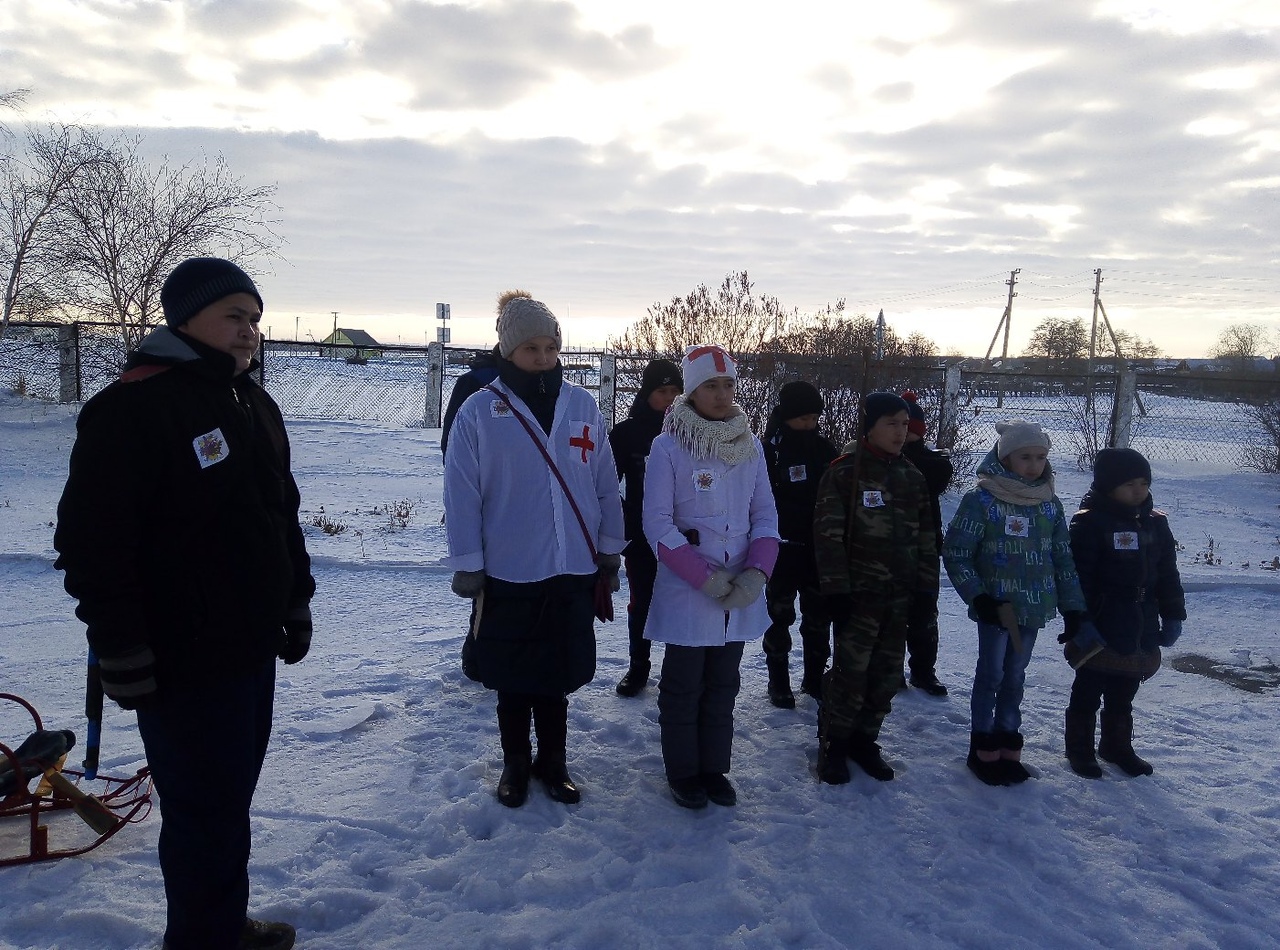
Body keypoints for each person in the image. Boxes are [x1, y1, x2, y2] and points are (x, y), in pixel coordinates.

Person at [54, 257, 315, 950]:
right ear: (186, 318)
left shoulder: (252, 402)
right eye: (234, 315)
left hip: (248, 645)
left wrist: (295, 600)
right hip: (180, 657)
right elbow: (91, 543)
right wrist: (120, 646)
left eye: (254, 318)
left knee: (226, 805)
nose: (249, 330)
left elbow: (280, 514)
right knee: (203, 812)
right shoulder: (135, 407)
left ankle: (218, 926)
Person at [444, 292, 625, 808]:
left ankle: (554, 762)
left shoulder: (582, 405)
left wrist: (610, 549)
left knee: (556, 673)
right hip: (510, 567)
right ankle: (516, 763)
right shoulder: (481, 410)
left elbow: (605, 482)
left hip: (572, 565)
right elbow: (461, 492)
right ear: (508, 350)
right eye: (531, 349)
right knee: (513, 675)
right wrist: (468, 564)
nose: (544, 358)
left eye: (551, 348)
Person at [642, 344, 779, 809]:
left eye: (728, 385)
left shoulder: (750, 446)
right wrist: (703, 577)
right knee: (684, 686)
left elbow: (765, 516)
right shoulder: (668, 447)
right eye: (710, 386)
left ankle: (714, 768)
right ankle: (684, 771)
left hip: (739, 588)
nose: (722, 395)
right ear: (691, 391)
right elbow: (657, 524)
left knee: (723, 684)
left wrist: (756, 573)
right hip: (690, 587)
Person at [942, 419, 1087, 787]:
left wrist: (1073, 607)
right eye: (1025, 457)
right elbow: (957, 552)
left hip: (1031, 608)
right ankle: (982, 745)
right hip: (997, 609)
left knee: (1015, 675)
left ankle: (1008, 741)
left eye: (1040, 457)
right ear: (1005, 458)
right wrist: (978, 596)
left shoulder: (1048, 504)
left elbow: (1063, 559)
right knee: (991, 673)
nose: (1034, 465)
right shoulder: (982, 500)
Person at [813, 392, 937, 784]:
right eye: (891, 423)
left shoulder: (912, 477)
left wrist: (925, 593)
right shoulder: (845, 474)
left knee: (886, 674)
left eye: (904, 424)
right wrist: (836, 590)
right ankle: (834, 743)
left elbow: (927, 539)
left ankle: (865, 739)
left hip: (899, 597)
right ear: (869, 427)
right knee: (851, 674)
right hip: (858, 597)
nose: (900, 432)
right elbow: (827, 537)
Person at [1064, 448, 1186, 778]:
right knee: (1089, 687)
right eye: (1129, 484)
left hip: (1140, 620)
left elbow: (1168, 574)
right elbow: (1078, 577)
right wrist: (1079, 619)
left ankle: (1116, 745)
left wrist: (1173, 614)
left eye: (1144, 483)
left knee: (1125, 688)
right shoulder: (1089, 522)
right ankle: (1079, 749)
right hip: (1102, 618)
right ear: (1108, 486)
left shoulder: (1156, 523)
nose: (1138, 491)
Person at [760, 381, 839, 707]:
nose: (810, 424)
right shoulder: (771, 451)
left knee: (818, 618)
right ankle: (778, 680)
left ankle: (815, 677)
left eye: (814, 418)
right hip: (782, 549)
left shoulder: (825, 449)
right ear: (788, 415)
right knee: (778, 617)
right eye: (803, 418)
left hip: (818, 549)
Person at [609, 358, 684, 696]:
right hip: (641, 538)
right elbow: (606, 484)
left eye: (675, 392)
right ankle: (638, 666)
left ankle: (677, 669)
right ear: (647, 393)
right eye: (661, 391)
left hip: (684, 536)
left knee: (680, 603)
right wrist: (623, 520)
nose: (668, 399)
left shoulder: (692, 432)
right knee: (642, 602)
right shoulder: (627, 433)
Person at [899, 390, 954, 696]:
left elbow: (937, 475)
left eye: (908, 427)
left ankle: (923, 670)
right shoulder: (877, 460)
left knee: (924, 613)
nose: (902, 432)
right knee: (892, 613)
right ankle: (891, 669)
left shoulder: (931, 464)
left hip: (924, 548)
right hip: (889, 549)